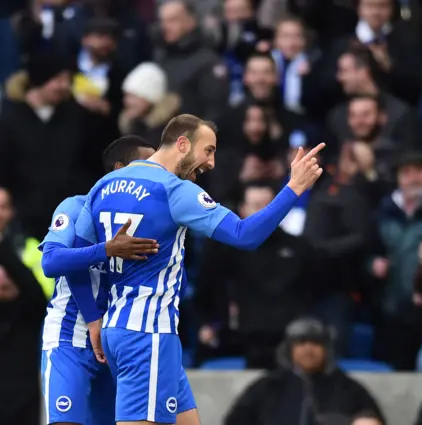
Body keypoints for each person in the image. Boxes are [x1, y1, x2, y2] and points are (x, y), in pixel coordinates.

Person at [58, 114, 324, 425]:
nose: (211, 162)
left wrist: (93, 318)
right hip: (148, 333)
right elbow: (245, 235)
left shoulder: (104, 185)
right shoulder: (174, 190)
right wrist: (294, 187)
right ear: (182, 144)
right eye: (208, 150)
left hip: (122, 328)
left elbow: (73, 259)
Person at [38, 135, 159, 425]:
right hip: (71, 334)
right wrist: (107, 249)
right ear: (120, 170)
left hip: (117, 339)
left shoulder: (151, 218)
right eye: (147, 163)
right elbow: (51, 261)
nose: (156, 171)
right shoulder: (76, 207)